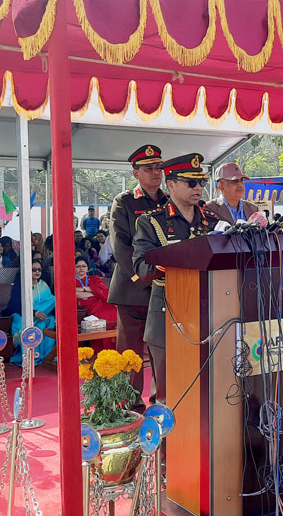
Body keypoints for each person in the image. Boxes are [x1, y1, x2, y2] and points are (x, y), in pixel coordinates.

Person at [133, 153, 219, 405]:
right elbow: (140, 267)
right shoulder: (151, 222)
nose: (198, 188)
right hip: (167, 316)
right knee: (167, 395)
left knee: (206, 391)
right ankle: (166, 444)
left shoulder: (212, 221)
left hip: (209, 315)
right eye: (191, 183)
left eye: (201, 182)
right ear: (170, 185)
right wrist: (170, 259)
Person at [109, 144, 167, 409]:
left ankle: (161, 401)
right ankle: (129, 404)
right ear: (136, 173)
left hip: (165, 287)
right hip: (134, 287)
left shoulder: (169, 200)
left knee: (161, 349)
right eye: (149, 169)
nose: (156, 173)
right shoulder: (125, 202)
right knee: (130, 351)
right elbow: (120, 245)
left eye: (158, 167)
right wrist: (142, 276)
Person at [6, 259, 57, 367]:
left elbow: (51, 302)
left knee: (50, 320)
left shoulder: (43, 285)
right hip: (22, 314)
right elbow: (15, 305)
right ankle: (30, 356)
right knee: (24, 326)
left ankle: (47, 356)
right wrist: (34, 312)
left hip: (43, 315)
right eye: (33, 270)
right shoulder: (21, 285)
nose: (37, 272)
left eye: (39, 269)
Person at [74, 257, 116, 352]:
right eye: (78, 266)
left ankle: (112, 348)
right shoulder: (71, 280)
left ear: (88, 268)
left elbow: (104, 292)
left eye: (84, 266)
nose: (81, 268)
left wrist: (82, 289)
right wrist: (93, 291)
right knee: (100, 315)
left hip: (100, 303)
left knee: (111, 311)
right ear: (74, 268)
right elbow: (75, 294)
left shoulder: (95, 278)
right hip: (85, 306)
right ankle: (101, 350)